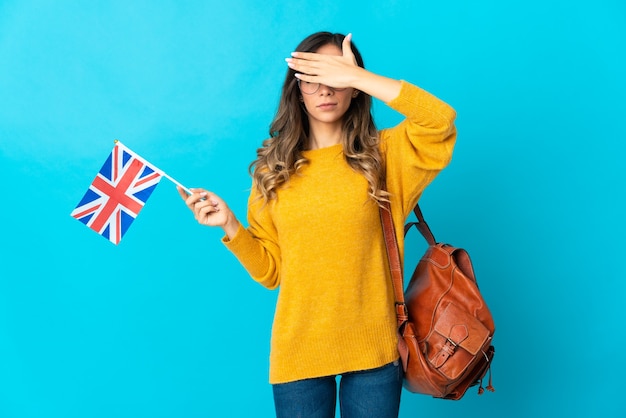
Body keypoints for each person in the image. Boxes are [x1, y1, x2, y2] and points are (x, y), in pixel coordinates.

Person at [178, 31, 457, 418]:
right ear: (298, 89)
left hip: (375, 348)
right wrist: (230, 226)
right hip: (298, 349)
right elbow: (272, 272)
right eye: (313, 78)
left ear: (354, 87)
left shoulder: (386, 156)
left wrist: (359, 75)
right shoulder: (271, 173)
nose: (326, 89)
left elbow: (440, 120)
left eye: (337, 76)